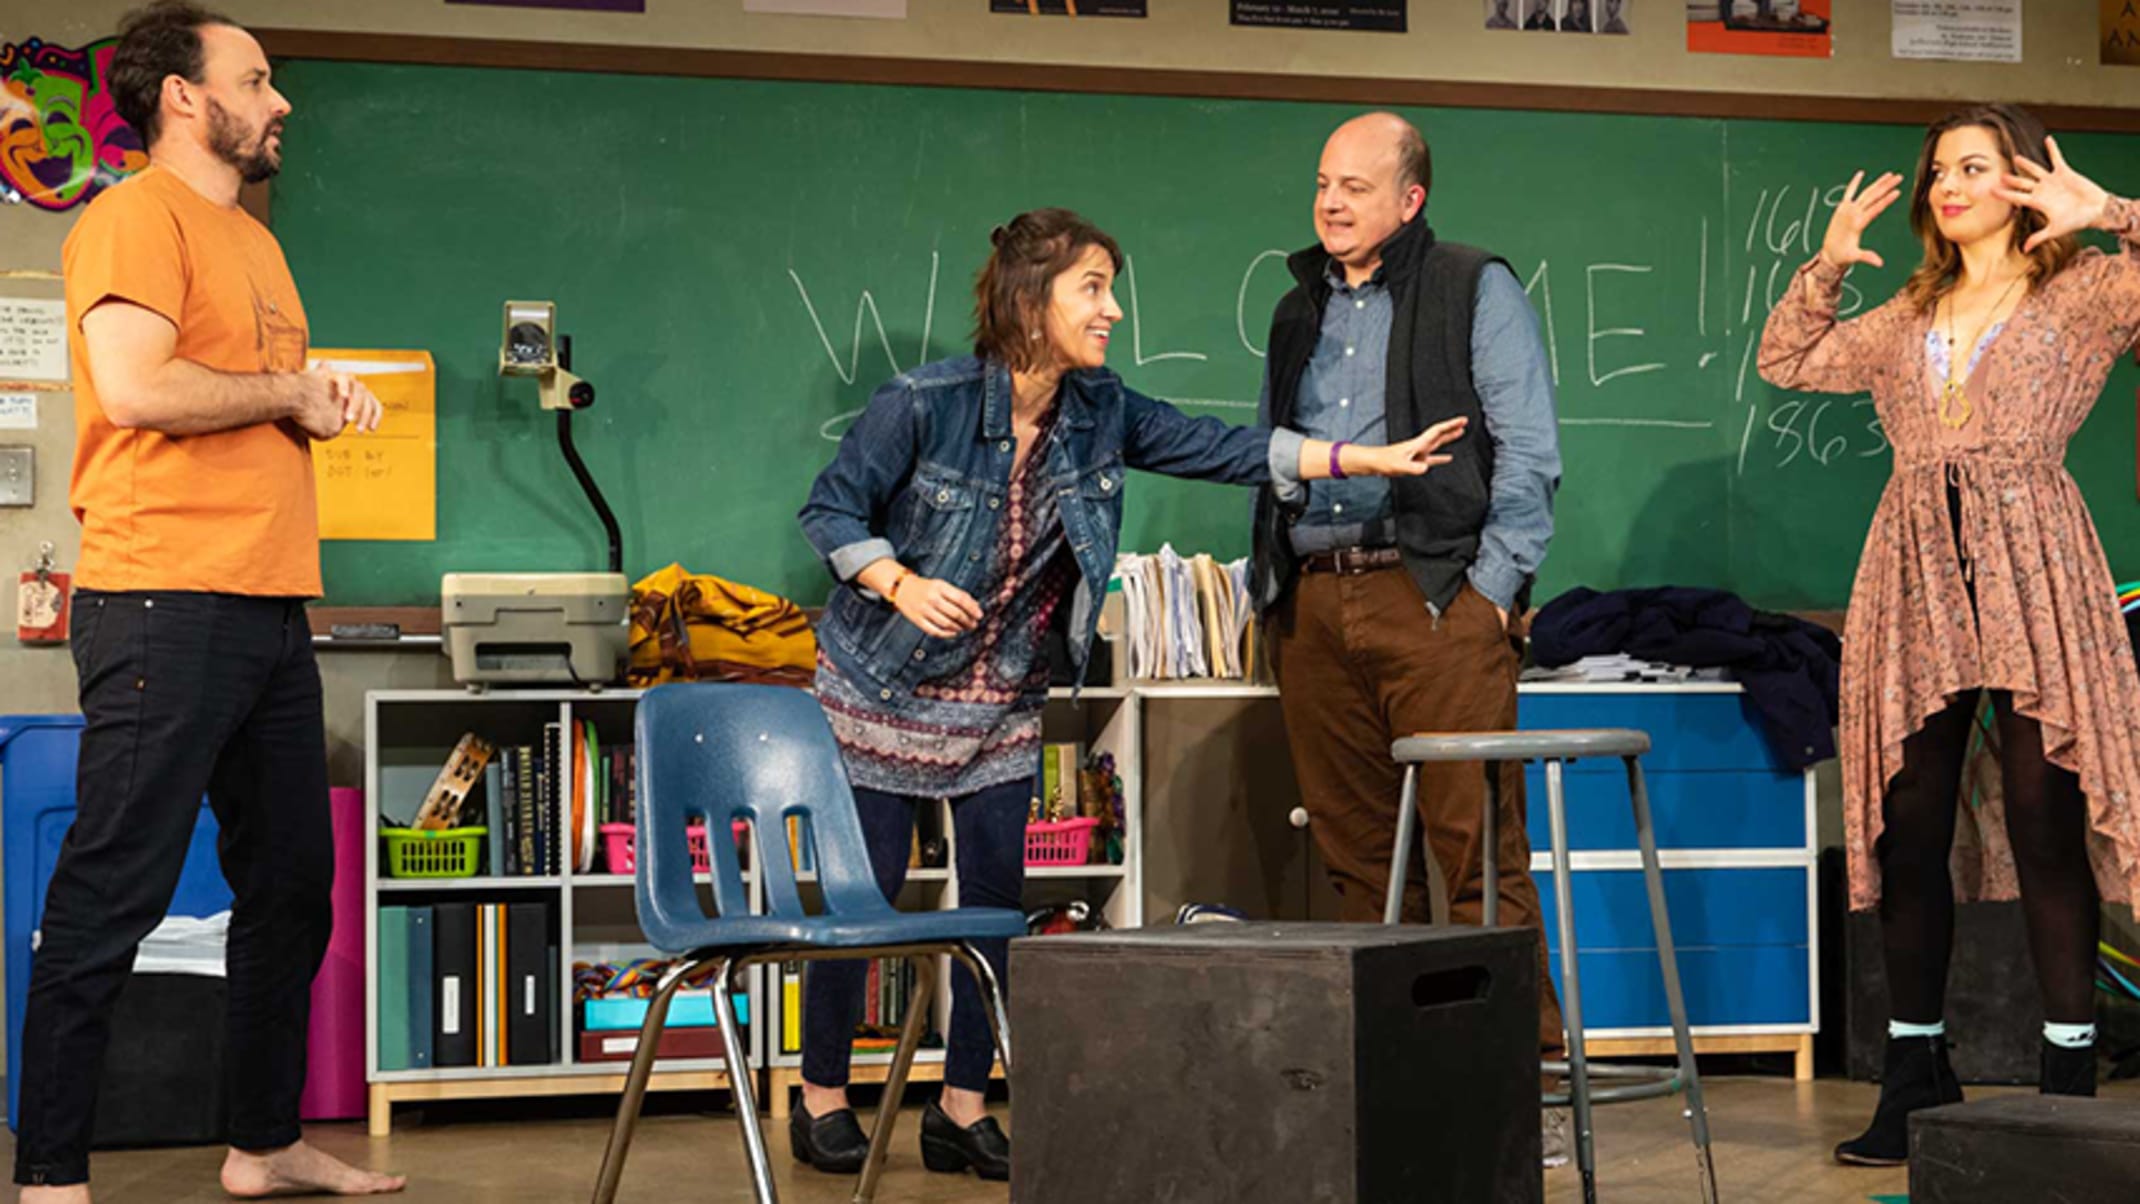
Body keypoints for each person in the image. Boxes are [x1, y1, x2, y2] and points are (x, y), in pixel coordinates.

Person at [794, 208, 1466, 1181]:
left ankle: (960, 1106)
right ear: (1030, 303)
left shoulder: (1099, 408)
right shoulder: (922, 402)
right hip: (881, 687)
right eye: (1092, 289)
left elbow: (1223, 447)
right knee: (866, 902)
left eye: (1111, 287)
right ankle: (821, 1099)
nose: (1111, 310)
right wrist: (894, 579)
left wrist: (1358, 458)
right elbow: (830, 506)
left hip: (1000, 700)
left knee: (992, 910)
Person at [20, 4, 404, 1201]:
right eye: (258, 76)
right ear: (184, 97)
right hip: (162, 603)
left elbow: (234, 387)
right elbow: (135, 386)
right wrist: (287, 386)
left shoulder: (258, 243)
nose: (280, 98)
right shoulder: (132, 217)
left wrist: (304, 399)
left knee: (292, 883)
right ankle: (48, 1176)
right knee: (111, 891)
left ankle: (262, 1140)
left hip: (267, 607)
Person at [1759, 103, 2140, 1167]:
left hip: (2034, 567)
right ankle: (1913, 1070)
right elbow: (1787, 360)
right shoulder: (1903, 315)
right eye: (1937, 172)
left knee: (2039, 808)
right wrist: (1828, 265)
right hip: (1916, 573)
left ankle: (2068, 1075)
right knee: (1905, 817)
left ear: (2019, 179)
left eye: (1972, 167)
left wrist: (2107, 211)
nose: (1947, 186)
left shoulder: (2082, 292)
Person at [1248, 112, 1569, 1164]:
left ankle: (1516, 1091)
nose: (1331, 202)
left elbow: (1528, 449)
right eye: (1320, 184)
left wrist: (1486, 593)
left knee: (1473, 855)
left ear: (1410, 198)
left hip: (1432, 598)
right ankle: (1386, 1089)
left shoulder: (1476, 284)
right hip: (1314, 603)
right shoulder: (1297, 309)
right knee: (1351, 862)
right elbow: (1277, 451)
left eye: (1355, 185)